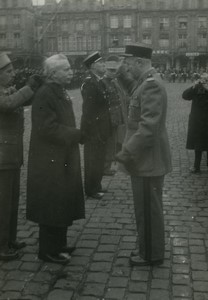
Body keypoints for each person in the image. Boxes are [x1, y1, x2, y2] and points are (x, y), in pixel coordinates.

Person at [116, 44, 172, 266]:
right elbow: (131, 92)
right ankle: (147, 249)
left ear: (139, 63)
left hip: (147, 160)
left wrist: (126, 152)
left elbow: (148, 127)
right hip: (146, 159)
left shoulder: (151, 86)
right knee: (145, 208)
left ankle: (150, 254)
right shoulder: (145, 82)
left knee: (148, 210)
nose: (128, 68)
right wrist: (121, 74)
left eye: (129, 64)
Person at [26, 54, 85, 264]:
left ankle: (59, 244)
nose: (71, 72)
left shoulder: (58, 90)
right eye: (66, 69)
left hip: (61, 155)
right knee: (51, 203)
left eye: (70, 68)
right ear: (53, 73)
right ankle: (47, 250)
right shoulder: (45, 94)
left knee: (61, 201)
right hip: (49, 159)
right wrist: (76, 134)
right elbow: (46, 128)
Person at [0, 53, 41, 261]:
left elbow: (19, 100)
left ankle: (10, 239)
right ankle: (1, 247)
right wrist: (29, 87)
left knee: (12, 200)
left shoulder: (8, 89)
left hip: (11, 154)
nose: (12, 74)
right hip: (2, 157)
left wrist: (33, 88)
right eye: (8, 72)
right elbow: (8, 104)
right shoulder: (3, 94)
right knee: (2, 203)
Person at [80, 52, 111, 199]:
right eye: (101, 63)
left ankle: (97, 185)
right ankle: (91, 189)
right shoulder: (90, 83)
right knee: (93, 160)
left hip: (102, 128)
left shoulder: (99, 81)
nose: (104, 65)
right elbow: (88, 111)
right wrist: (92, 131)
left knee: (99, 158)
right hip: (94, 130)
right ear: (92, 66)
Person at [102, 56, 124, 176]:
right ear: (105, 70)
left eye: (114, 70)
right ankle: (105, 167)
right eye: (110, 70)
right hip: (109, 118)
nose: (113, 73)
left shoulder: (113, 82)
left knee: (115, 140)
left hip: (115, 117)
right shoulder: (103, 83)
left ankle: (110, 162)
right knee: (109, 142)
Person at [182, 73, 208, 173]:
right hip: (198, 121)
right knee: (198, 144)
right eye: (203, 79)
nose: (204, 81)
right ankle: (196, 166)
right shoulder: (197, 88)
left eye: (206, 79)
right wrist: (193, 86)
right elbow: (185, 96)